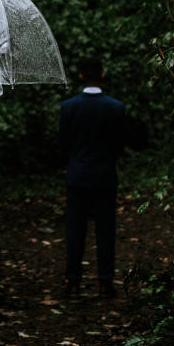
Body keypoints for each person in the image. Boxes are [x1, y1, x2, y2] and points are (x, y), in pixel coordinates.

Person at [60, 59, 132, 298]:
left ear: (80, 77)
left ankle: (73, 282)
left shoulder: (69, 107)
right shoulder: (115, 107)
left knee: (75, 232)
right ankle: (105, 282)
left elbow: (63, 143)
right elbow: (120, 144)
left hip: (77, 176)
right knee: (105, 231)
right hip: (104, 176)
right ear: (102, 75)